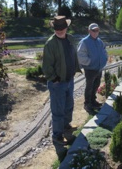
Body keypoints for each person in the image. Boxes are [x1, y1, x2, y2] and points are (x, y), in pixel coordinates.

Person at [42, 15, 81, 145]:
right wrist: (55, 79)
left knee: (69, 105)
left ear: (66, 27)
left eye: (62, 27)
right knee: (58, 111)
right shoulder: (50, 44)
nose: (60, 30)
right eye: (57, 28)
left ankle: (66, 126)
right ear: (54, 28)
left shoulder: (70, 38)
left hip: (69, 80)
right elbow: (47, 66)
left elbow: (73, 55)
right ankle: (57, 135)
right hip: (57, 83)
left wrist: (75, 69)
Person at [77, 23, 108, 114]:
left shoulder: (99, 41)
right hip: (90, 69)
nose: (95, 32)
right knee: (89, 87)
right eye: (93, 30)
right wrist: (89, 62)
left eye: (97, 30)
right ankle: (87, 104)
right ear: (89, 31)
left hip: (98, 69)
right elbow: (80, 55)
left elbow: (104, 51)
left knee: (96, 85)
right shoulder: (84, 41)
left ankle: (93, 101)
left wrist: (104, 59)